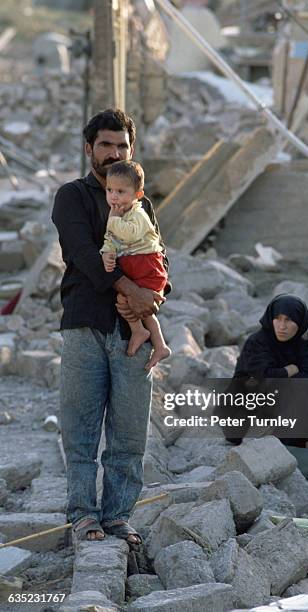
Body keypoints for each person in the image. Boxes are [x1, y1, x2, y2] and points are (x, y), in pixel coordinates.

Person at [52, 108, 168, 545]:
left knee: (130, 431)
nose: (113, 152)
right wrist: (130, 290)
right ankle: (83, 514)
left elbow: (160, 257)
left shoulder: (142, 204)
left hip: (130, 329)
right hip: (84, 325)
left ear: (131, 150)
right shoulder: (72, 197)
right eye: (105, 144)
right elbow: (83, 254)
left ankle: (118, 515)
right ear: (89, 149)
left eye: (121, 145)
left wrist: (154, 295)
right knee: (80, 429)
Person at [218, 294, 308, 444]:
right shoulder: (257, 342)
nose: (282, 326)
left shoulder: (300, 345)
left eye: (288, 320)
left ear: (300, 322)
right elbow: (263, 375)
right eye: (278, 318)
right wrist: (289, 371)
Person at [101, 160, 171, 369]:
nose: (114, 196)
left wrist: (113, 219)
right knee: (124, 301)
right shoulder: (117, 215)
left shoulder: (139, 214)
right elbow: (110, 238)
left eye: (121, 191)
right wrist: (107, 253)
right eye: (110, 190)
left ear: (137, 195)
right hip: (134, 267)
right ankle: (147, 336)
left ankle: (151, 338)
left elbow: (128, 233)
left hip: (147, 266)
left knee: (135, 301)